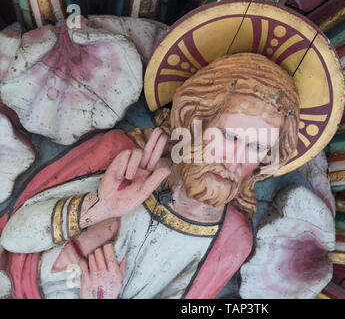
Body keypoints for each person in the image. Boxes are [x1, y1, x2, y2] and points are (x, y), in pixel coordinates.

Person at [0, 53, 301, 299]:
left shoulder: (232, 238)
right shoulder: (122, 157)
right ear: (195, 121)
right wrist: (102, 206)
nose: (235, 159)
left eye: (257, 147)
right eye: (229, 137)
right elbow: (13, 238)